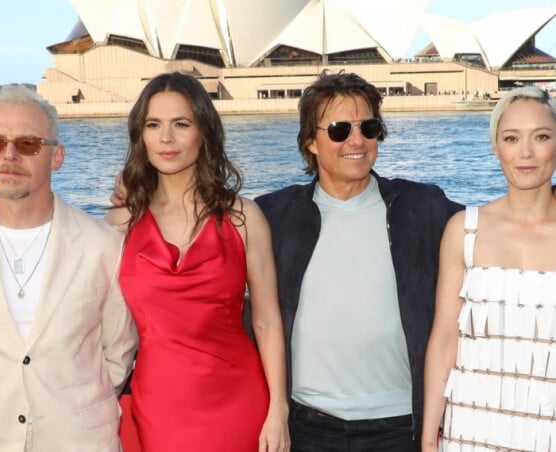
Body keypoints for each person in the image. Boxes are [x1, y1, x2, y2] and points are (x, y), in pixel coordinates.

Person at [253, 70, 462, 451]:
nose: (357, 140)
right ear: (310, 142)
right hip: (307, 426)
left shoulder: (426, 207)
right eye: (338, 129)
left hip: (402, 428)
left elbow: (500, 230)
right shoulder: (271, 216)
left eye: (368, 127)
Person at [106, 72, 290, 452]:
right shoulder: (121, 223)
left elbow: (267, 321)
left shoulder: (244, 217)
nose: (166, 138)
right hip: (157, 409)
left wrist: (279, 410)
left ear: (204, 132)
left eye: (181, 124)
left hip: (240, 404)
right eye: (153, 125)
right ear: (141, 135)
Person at [0, 85, 137, 452]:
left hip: (80, 439)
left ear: (57, 157)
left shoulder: (106, 245)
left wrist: (72, 406)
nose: (10, 155)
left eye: (29, 143)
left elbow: (118, 353)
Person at [423, 86, 556, 451]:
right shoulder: (463, 230)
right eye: (511, 138)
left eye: (541, 137)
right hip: (470, 429)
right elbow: (445, 340)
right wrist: (428, 438)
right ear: (496, 148)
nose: (525, 152)